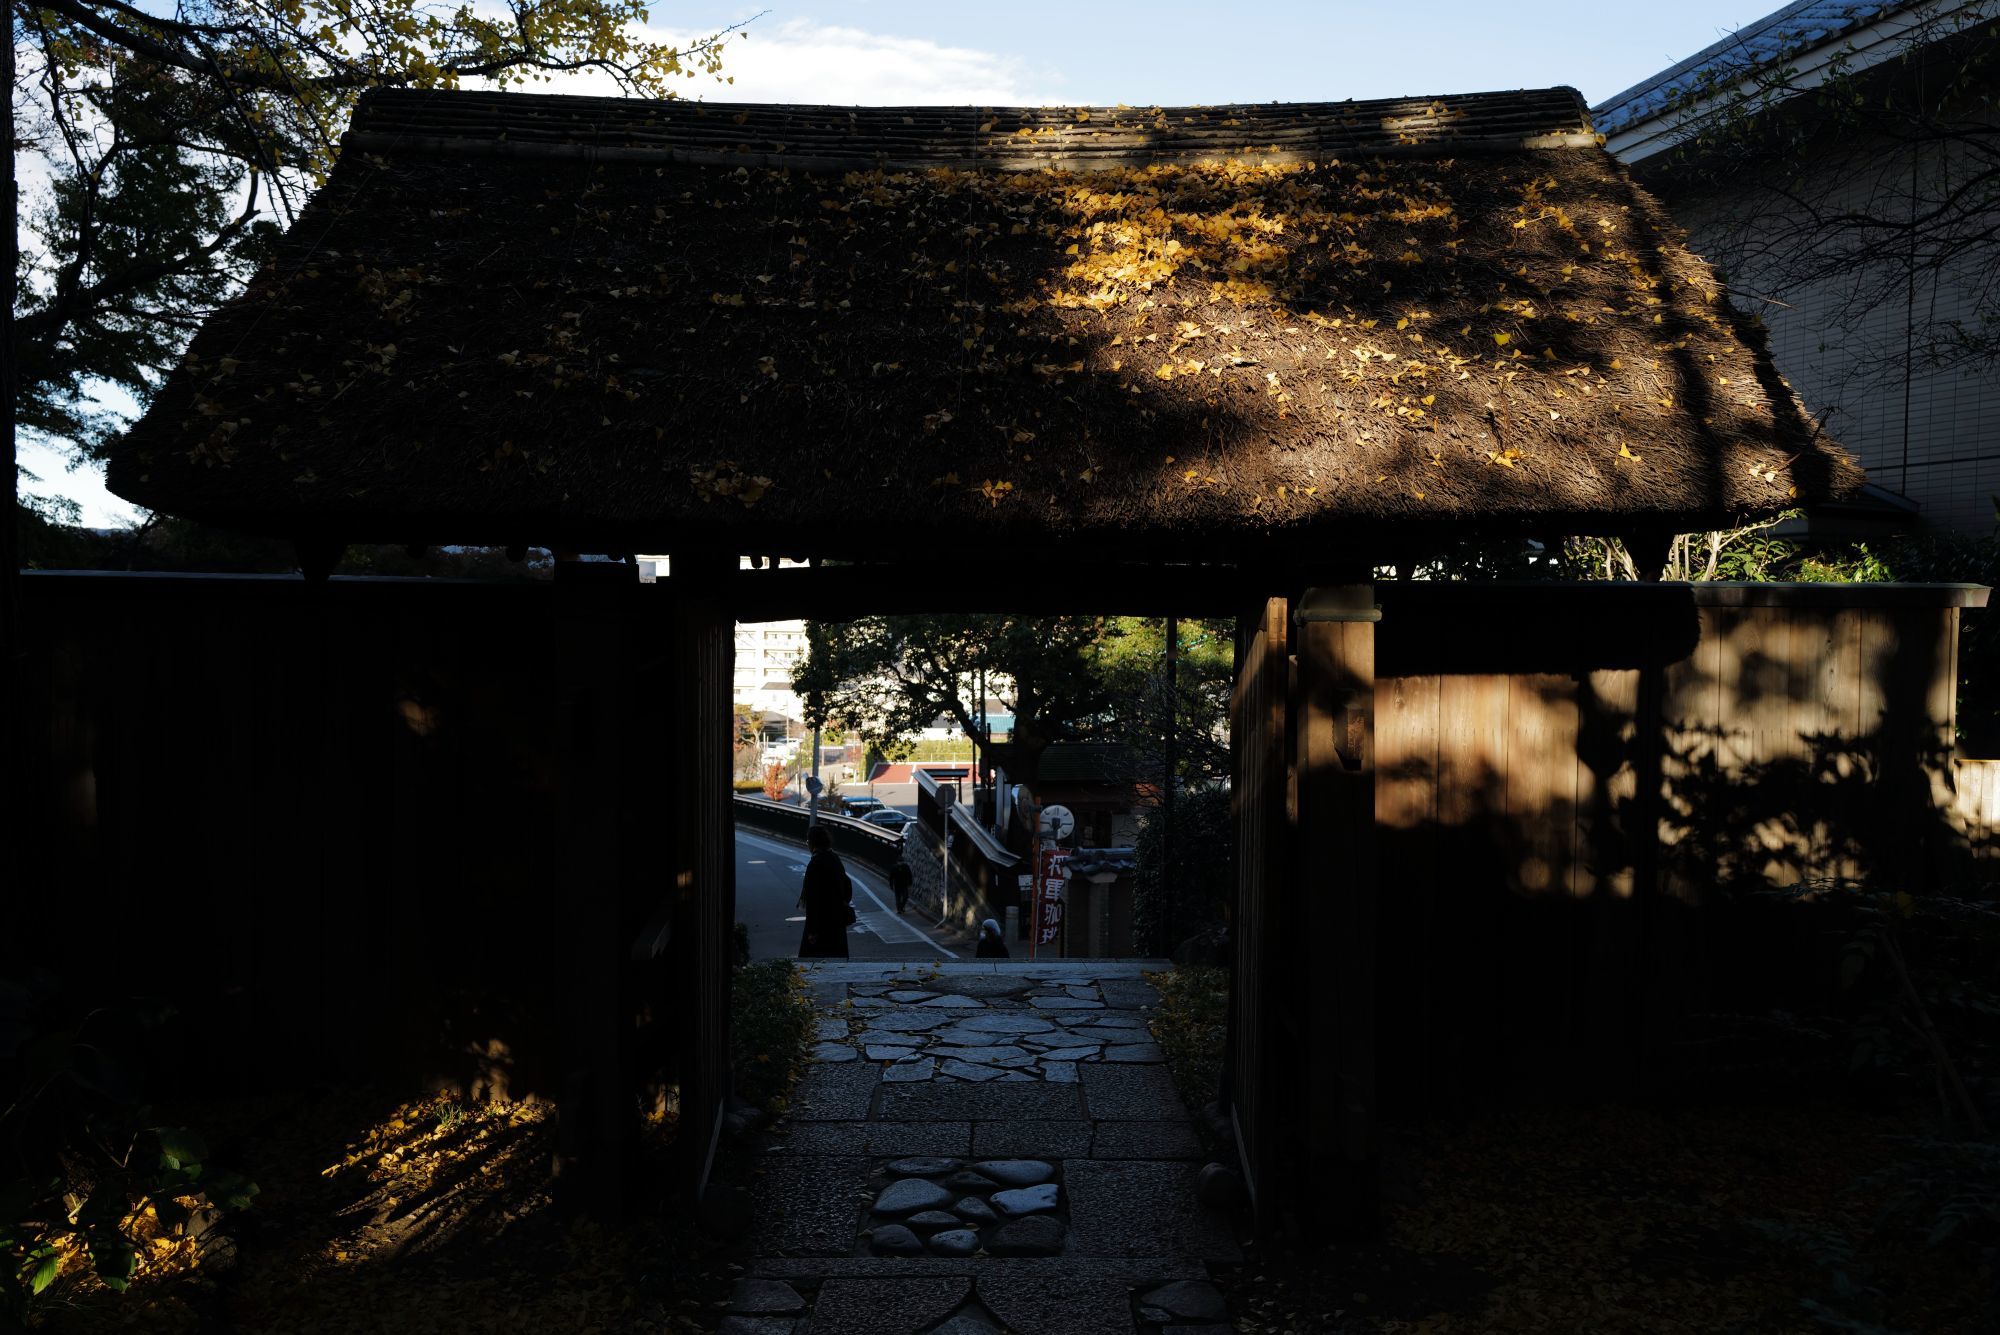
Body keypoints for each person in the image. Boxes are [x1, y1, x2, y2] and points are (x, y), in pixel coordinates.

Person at [796, 826, 854, 959]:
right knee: (837, 960)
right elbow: (848, 885)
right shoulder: (835, 858)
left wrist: (812, 930)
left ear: (812, 843)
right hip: (837, 921)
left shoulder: (815, 863)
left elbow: (813, 899)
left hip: (822, 924)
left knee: (813, 963)